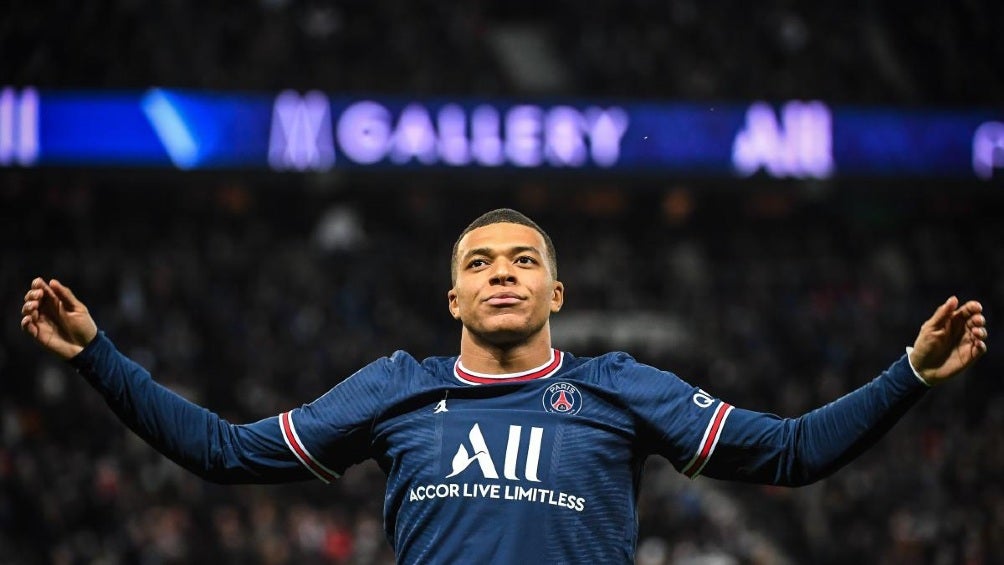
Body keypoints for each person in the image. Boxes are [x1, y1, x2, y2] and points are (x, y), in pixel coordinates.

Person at [20, 208, 989, 563]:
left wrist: (909, 372)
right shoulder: (394, 389)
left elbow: (790, 451)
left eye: (521, 260)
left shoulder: (617, 387)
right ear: (451, 294)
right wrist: (99, 354)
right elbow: (223, 452)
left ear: (555, 291)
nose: (500, 273)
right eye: (480, 261)